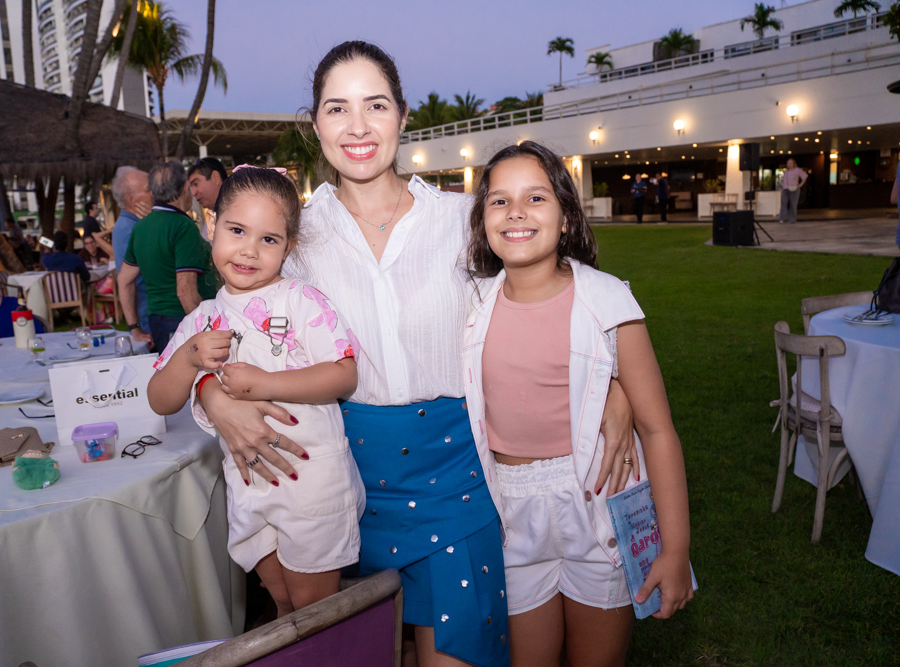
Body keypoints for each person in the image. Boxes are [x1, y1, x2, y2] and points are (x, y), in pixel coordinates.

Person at [194, 41, 638, 667]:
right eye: (336, 108)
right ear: (313, 122)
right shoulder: (291, 237)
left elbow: (563, 296)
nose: (357, 127)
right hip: (334, 489)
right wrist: (211, 395)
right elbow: (216, 332)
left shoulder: (463, 219)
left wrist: (615, 387)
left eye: (374, 105)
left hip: (455, 486)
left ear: (403, 115)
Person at [463, 141, 693, 667]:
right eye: (499, 201)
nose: (516, 212)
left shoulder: (610, 303)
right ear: (482, 221)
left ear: (566, 216)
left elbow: (658, 431)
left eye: (536, 198)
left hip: (600, 500)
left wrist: (675, 550)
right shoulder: (469, 307)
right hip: (511, 512)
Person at [148, 165, 364, 616]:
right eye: (237, 230)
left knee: (313, 607)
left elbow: (344, 374)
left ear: (290, 247)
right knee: (280, 598)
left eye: (269, 239)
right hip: (247, 487)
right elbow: (159, 399)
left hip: (310, 484)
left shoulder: (303, 301)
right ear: (212, 227)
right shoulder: (202, 318)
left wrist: (265, 383)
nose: (249, 251)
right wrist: (189, 357)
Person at [118, 161, 216, 353]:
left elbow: (123, 280)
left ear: (153, 193)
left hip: (158, 322)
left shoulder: (140, 227)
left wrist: (134, 328)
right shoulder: (182, 226)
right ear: (185, 187)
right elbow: (185, 290)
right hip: (183, 320)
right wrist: (206, 331)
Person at [110, 167, 153, 334]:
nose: (154, 193)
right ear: (131, 199)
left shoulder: (136, 225)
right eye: (148, 189)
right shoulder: (129, 229)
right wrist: (135, 327)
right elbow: (127, 281)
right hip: (147, 320)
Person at [188, 157, 228, 240]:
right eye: (191, 187)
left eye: (196, 184)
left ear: (215, 177)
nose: (193, 193)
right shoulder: (213, 215)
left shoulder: (240, 209)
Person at [779, 158, 808, 224]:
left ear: (794, 164)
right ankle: (783, 218)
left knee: (793, 204)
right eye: (788, 163)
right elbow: (783, 179)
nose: (789, 164)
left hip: (794, 188)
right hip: (785, 188)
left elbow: (805, 176)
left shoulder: (797, 170)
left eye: (791, 163)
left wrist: (800, 185)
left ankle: (792, 219)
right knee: (784, 203)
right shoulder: (785, 171)